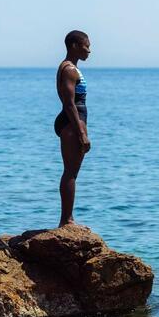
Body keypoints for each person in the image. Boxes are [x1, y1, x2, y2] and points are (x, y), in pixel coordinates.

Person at [54, 30, 91, 227]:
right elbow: (69, 104)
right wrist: (82, 133)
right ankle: (66, 220)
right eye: (86, 46)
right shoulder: (69, 69)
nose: (89, 51)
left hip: (72, 121)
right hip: (71, 123)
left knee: (71, 172)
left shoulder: (71, 68)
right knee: (70, 173)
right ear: (75, 46)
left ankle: (67, 218)